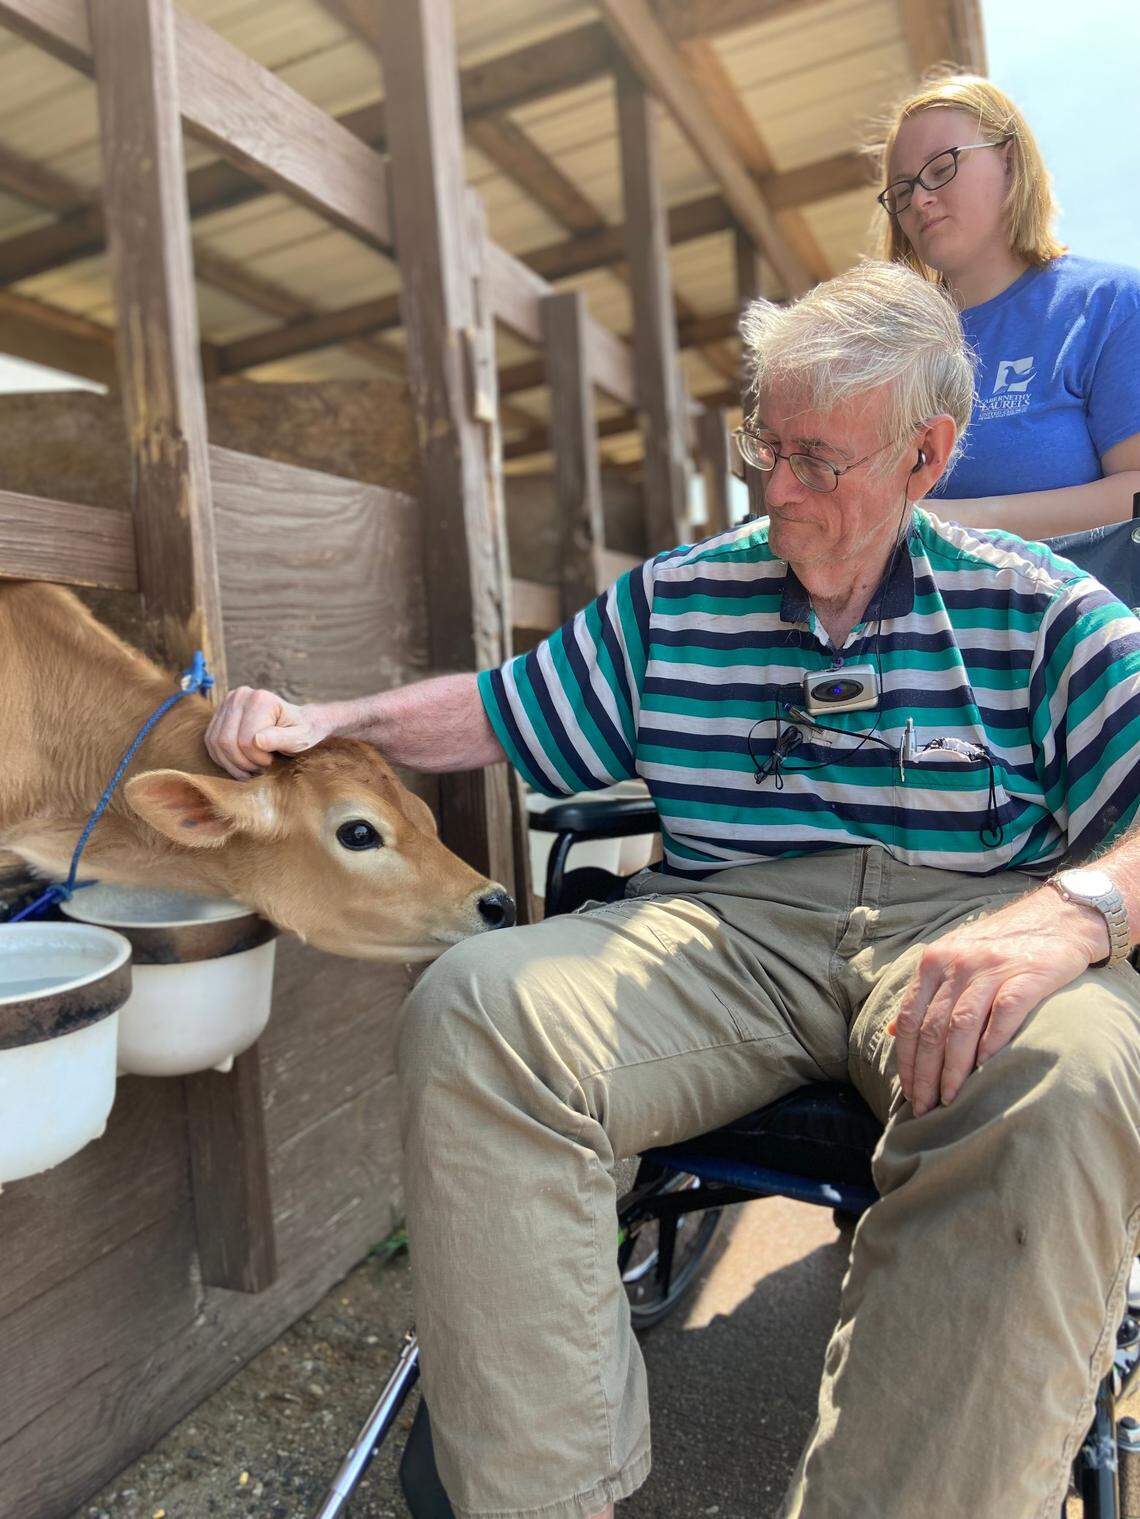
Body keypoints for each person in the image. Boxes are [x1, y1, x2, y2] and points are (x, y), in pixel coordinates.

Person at [206, 261, 1140, 1519]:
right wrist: (328, 720)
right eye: (767, 448)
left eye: (821, 461)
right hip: (724, 927)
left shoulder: (1035, 608)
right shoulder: (680, 599)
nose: (777, 490)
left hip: (974, 921)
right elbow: (497, 709)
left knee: (1072, 1080)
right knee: (481, 1010)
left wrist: (1075, 913)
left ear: (926, 457)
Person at [875, 71, 1140, 537]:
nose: (919, 199)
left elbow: (1136, 492)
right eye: (902, 190)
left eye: (941, 168)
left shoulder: (1107, 304)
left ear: (1010, 162)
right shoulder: (889, 349)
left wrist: (966, 523)